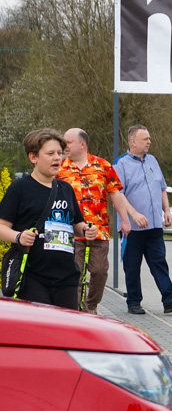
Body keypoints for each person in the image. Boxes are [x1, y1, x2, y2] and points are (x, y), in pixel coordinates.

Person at [0, 128, 98, 308]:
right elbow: (1, 226)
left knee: (66, 332)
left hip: (67, 277)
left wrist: (86, 229)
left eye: (60, 153)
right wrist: (18, 237)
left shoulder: (65, 188)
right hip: (33, 276)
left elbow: (76, 223)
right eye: (50, 153)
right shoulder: (19, 189)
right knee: (41, 333)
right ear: (33, 158)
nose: (57, 158)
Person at [58, 128, 147, 313]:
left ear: (82, 144)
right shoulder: (59, 168)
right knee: (75, 274)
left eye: (68, 142)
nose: (64, 145)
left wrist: (125, 220)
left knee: (99, 271)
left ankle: (92, 305)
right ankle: (77, 310)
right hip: (69, 233)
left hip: (98, 230)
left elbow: (115, 193)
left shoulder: (103, 166)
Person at [113, 125, 172, 315]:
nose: (149, 141)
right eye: (145, 138)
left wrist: (167, 210)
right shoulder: (120, 165)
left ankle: (169, 300)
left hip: (154, 225)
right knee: (132, 265)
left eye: (149, 138)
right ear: (133, 141)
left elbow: (162, 187)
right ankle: (134, 302)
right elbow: (117, 195)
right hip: (133, 228)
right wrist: (134, 214)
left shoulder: (153, 160)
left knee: (159, 262)